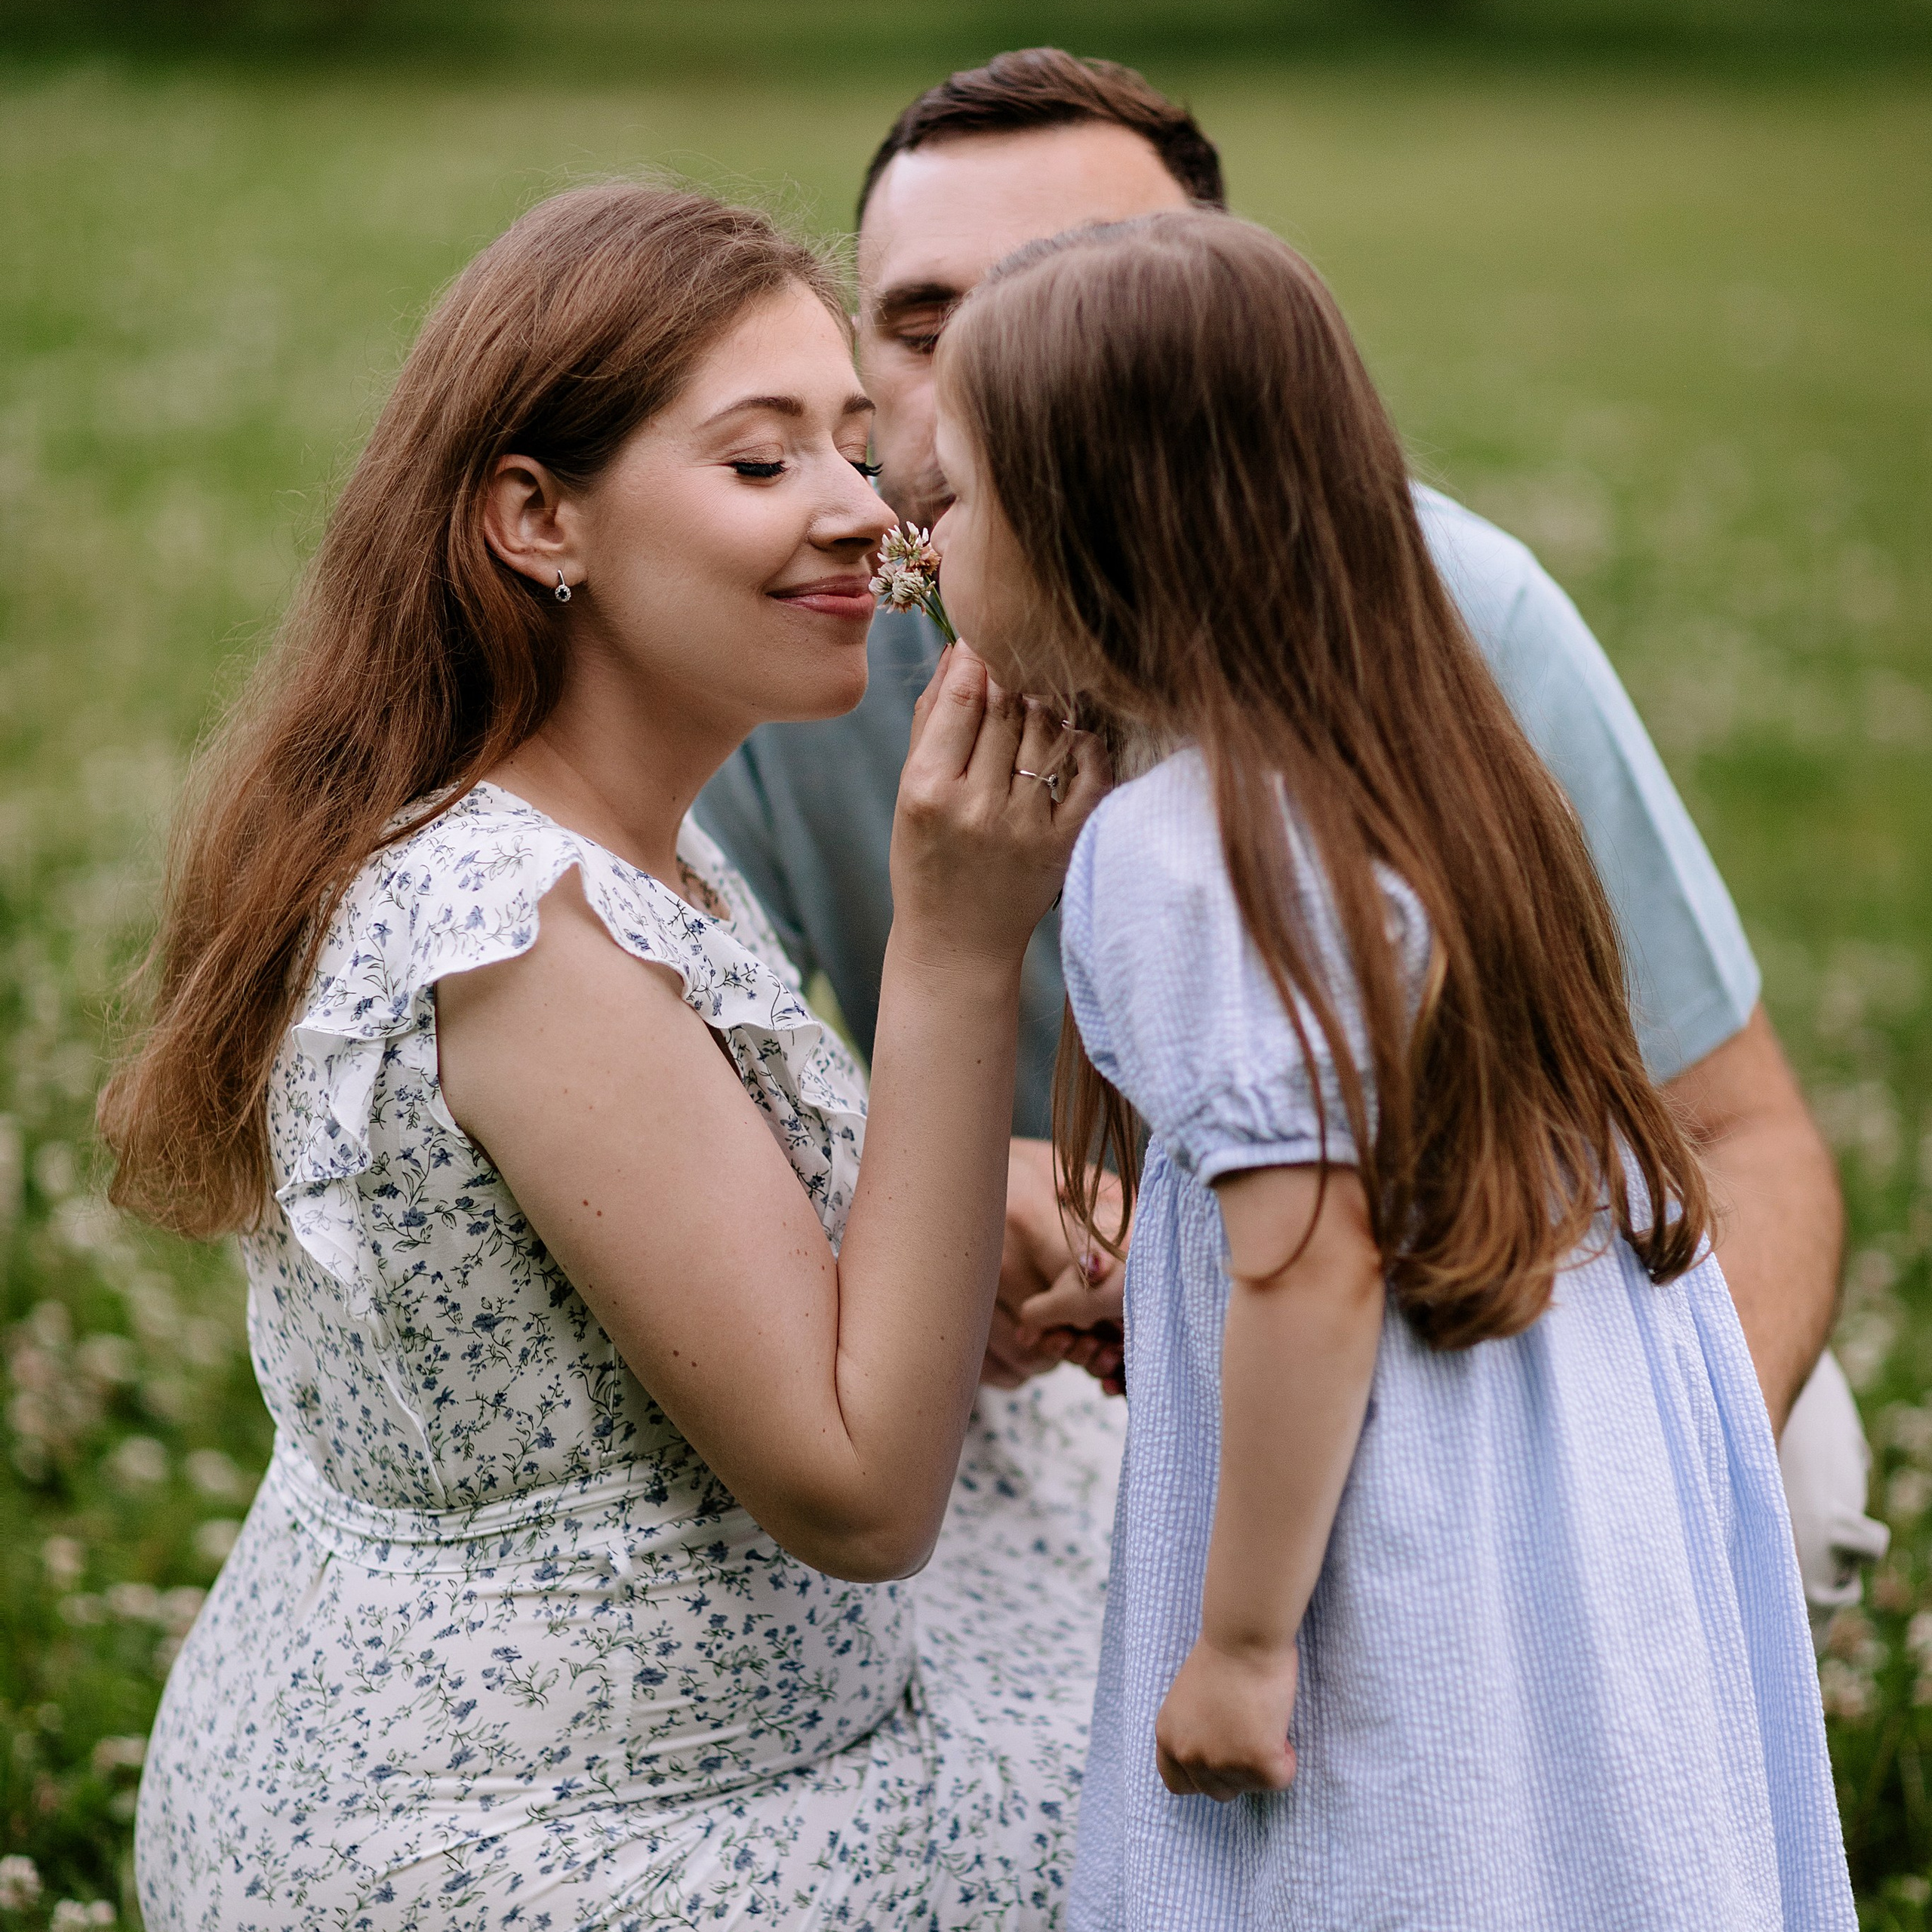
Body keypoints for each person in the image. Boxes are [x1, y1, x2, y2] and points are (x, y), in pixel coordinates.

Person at [695, 45, 1878, 1614]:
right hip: (1021, 1395)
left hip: (1460, 1345)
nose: (989, 380)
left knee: (1778, 1497)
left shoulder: (1448, 615)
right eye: (923, 325)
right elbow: (677, 1110)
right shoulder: (795, 643)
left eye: (1074, 301)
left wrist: (1594, 1525)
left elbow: (1744, 1144)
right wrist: (937, 1181)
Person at [103, 183, 1109, 1930]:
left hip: (587, 1738)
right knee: (1242, 1780)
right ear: (534, 519)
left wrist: (941, 1278)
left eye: (856, 452)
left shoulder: (597, 837)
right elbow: (864, 1497)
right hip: (544, 1840)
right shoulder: (522, 937)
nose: (862, 514)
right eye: (760, 462)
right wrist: (951, 942)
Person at [936, 205, 1855, 1930]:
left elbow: (1316, 1251)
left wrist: (1238, 1641)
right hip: (1554, 1486)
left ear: (1093, 532)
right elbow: (1355, 1170)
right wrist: (1173, 1294)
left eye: (958, 494)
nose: (925, 533)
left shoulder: (1171, 849)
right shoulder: (1428, 774)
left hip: (1388, 1542)